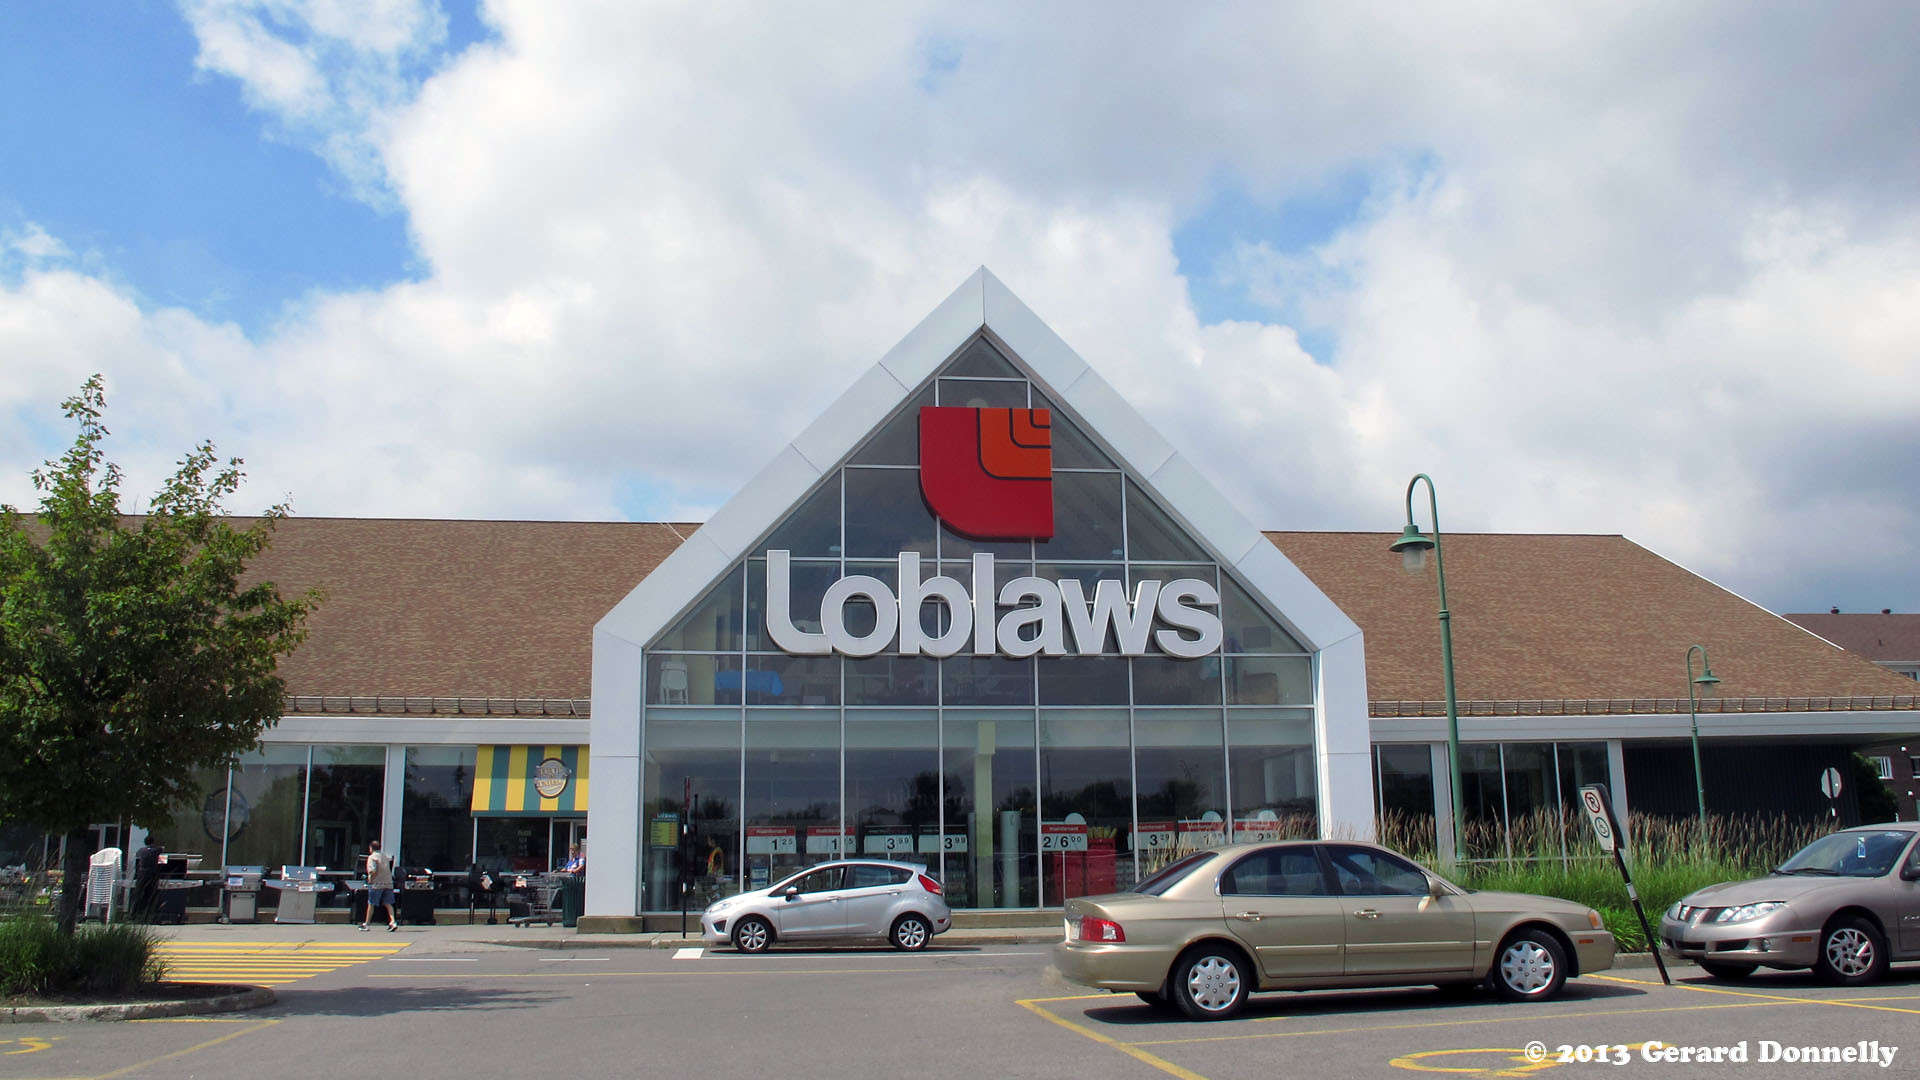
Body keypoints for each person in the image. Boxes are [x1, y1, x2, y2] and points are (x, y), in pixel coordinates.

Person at [361, 840, 397, 931]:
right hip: (388, 883)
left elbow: (373, 870)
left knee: (371, 904)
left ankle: (366, 924)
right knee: (388, 904)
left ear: (371, 848)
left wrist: (370, 880)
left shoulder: (372, 857)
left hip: (377, 884)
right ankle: (393, 922)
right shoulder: (384, 857)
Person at [132, 836, 162, 922]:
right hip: (152, 874)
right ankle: (150, 915)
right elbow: (161, 849)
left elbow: (138, 856)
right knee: (151, 895)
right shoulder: (156, 850)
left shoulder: (141, 850)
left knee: (138, 894)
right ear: (153, 842)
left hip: (142, 874)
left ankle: (133, 915)